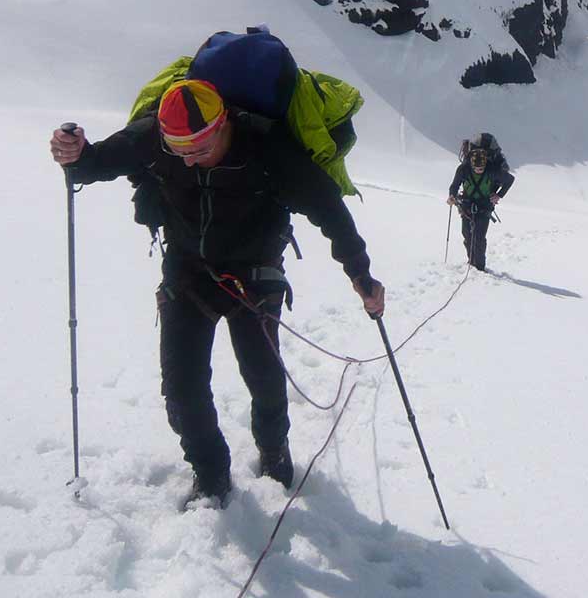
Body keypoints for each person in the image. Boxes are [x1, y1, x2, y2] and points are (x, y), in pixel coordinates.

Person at [49, 78, 385, 509]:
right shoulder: (153, 136)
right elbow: (94, 164)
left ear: (223, 123)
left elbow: (330, 210)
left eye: (199, 149)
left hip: (255, 276)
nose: (188, 159)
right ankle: (210, 473)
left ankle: (274, 449)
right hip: (187, 273)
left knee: (262, 374)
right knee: (181, 387)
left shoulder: (268, 149)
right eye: (178, 150)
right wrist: (74, 153)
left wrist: (361, 276)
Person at [445, 137, 515, 271]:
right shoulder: (463, 169)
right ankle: (471, 262)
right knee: (467, 234)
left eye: (481, 168)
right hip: (466, 205)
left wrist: (499, 195)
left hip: (484, 206)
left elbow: (510, 180)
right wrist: (452, 196)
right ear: (471, 164)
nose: (479, 170)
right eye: (476, 168)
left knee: (479, 237)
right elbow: (454, 186)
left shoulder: (492, 170)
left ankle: (480, 267)